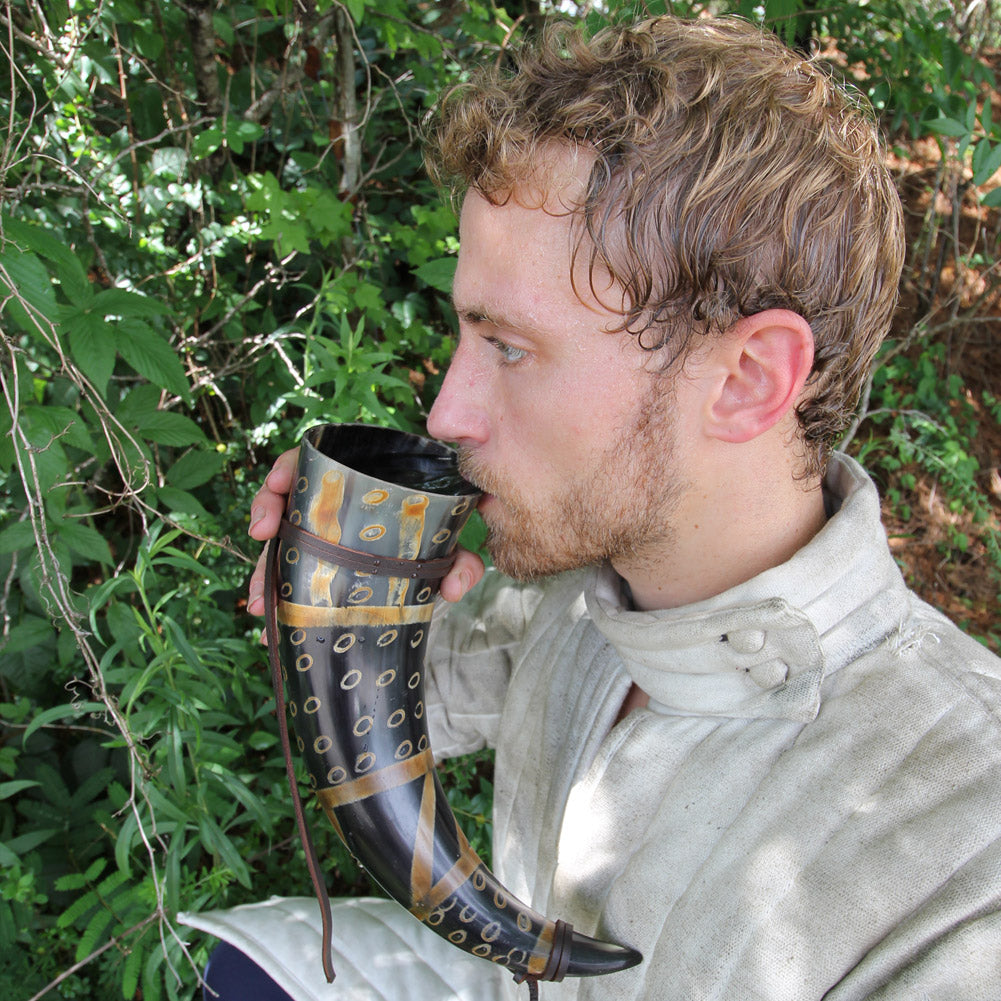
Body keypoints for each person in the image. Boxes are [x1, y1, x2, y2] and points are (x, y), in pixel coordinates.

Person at [179, 14, 1001, 1001]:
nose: (446, 409)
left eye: (509, 346)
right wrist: (340, 601)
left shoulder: (961, 840)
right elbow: (413, 712)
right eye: (463, 331)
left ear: (745, 378)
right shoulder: (573, 593)